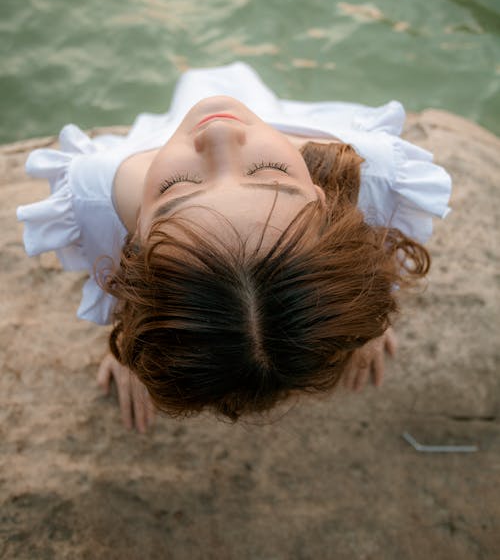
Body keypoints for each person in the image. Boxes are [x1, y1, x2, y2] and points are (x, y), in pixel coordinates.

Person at [17, 62, 452, 433]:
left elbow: (122, 281)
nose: (221, 132)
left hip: (225, 125)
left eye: (176, 188)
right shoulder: (368, 172)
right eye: (267, 171)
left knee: (222, 91)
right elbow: (368, 251)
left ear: (134, 244)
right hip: (259, 119)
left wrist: (138, 348)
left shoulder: (99, 198)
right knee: (225, 88)